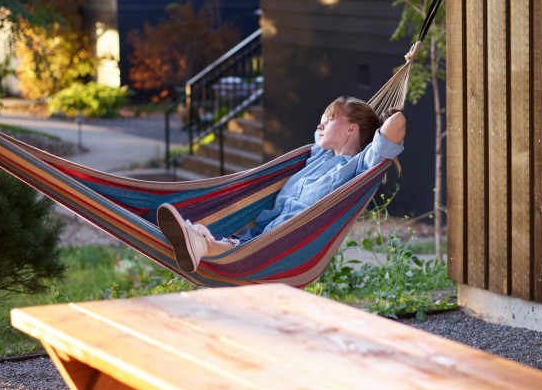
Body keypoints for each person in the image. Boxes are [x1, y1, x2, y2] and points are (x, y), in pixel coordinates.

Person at [157, 96, 406, 273]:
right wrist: (331, 121)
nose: (319, 126)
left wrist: (391, 110)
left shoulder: (359, 167)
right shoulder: (317, 156)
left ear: (351, 130)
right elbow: (321, 135)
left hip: (287, 244)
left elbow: (396, 126)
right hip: (263, 235)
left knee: (240, 249)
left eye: (328, 120)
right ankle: (199, 240)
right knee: (236, 242)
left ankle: (202, 243)